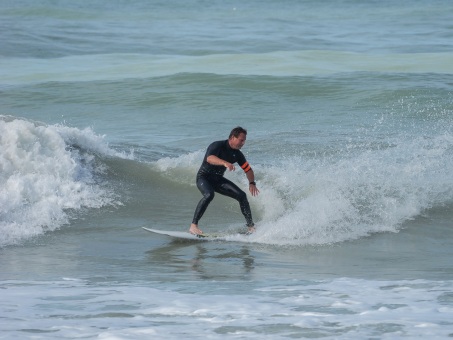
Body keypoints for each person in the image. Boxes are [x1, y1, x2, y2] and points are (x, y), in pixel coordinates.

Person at [189, 127, 260, 235]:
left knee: (242, 196)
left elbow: (248, 169)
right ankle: (193, 226)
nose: (243, 143)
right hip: (204, 177)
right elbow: (210, 158)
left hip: (217, 180)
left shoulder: (238, 154)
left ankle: (250, 227)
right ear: (232, 137)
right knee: (209, 194)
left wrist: (252, 183)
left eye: (244, 140)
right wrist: (224, 163)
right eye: (241, 140)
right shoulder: (217, 145)